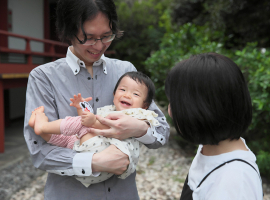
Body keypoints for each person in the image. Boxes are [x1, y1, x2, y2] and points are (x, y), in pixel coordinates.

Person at [23, 0, 170, 199]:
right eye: (89, 37)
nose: (99, 46)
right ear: (68, 30)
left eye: (107, 36)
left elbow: (161, 132)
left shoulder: (126, 71)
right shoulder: (44, 77)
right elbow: (39, 151)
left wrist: (139, 128)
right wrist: (94, 161)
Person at [28, 71, 160, 187]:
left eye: (136, 94)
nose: (127, 95)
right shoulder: (110, 110)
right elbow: (91, 122)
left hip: (104, 154)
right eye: (123, 90)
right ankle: (41, 130)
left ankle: (43, 126)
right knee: (66, 139)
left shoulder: (139, 115)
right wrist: (82, 109)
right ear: (114, 95)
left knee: (79, 123)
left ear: (145, 105)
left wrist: (91, 121)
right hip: (94, 157)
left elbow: (114, 127)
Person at [165, 53, 263, 200]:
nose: (170, 112)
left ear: (202, 108)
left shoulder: (233, 183)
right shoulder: (210, 148)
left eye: (175, 103)